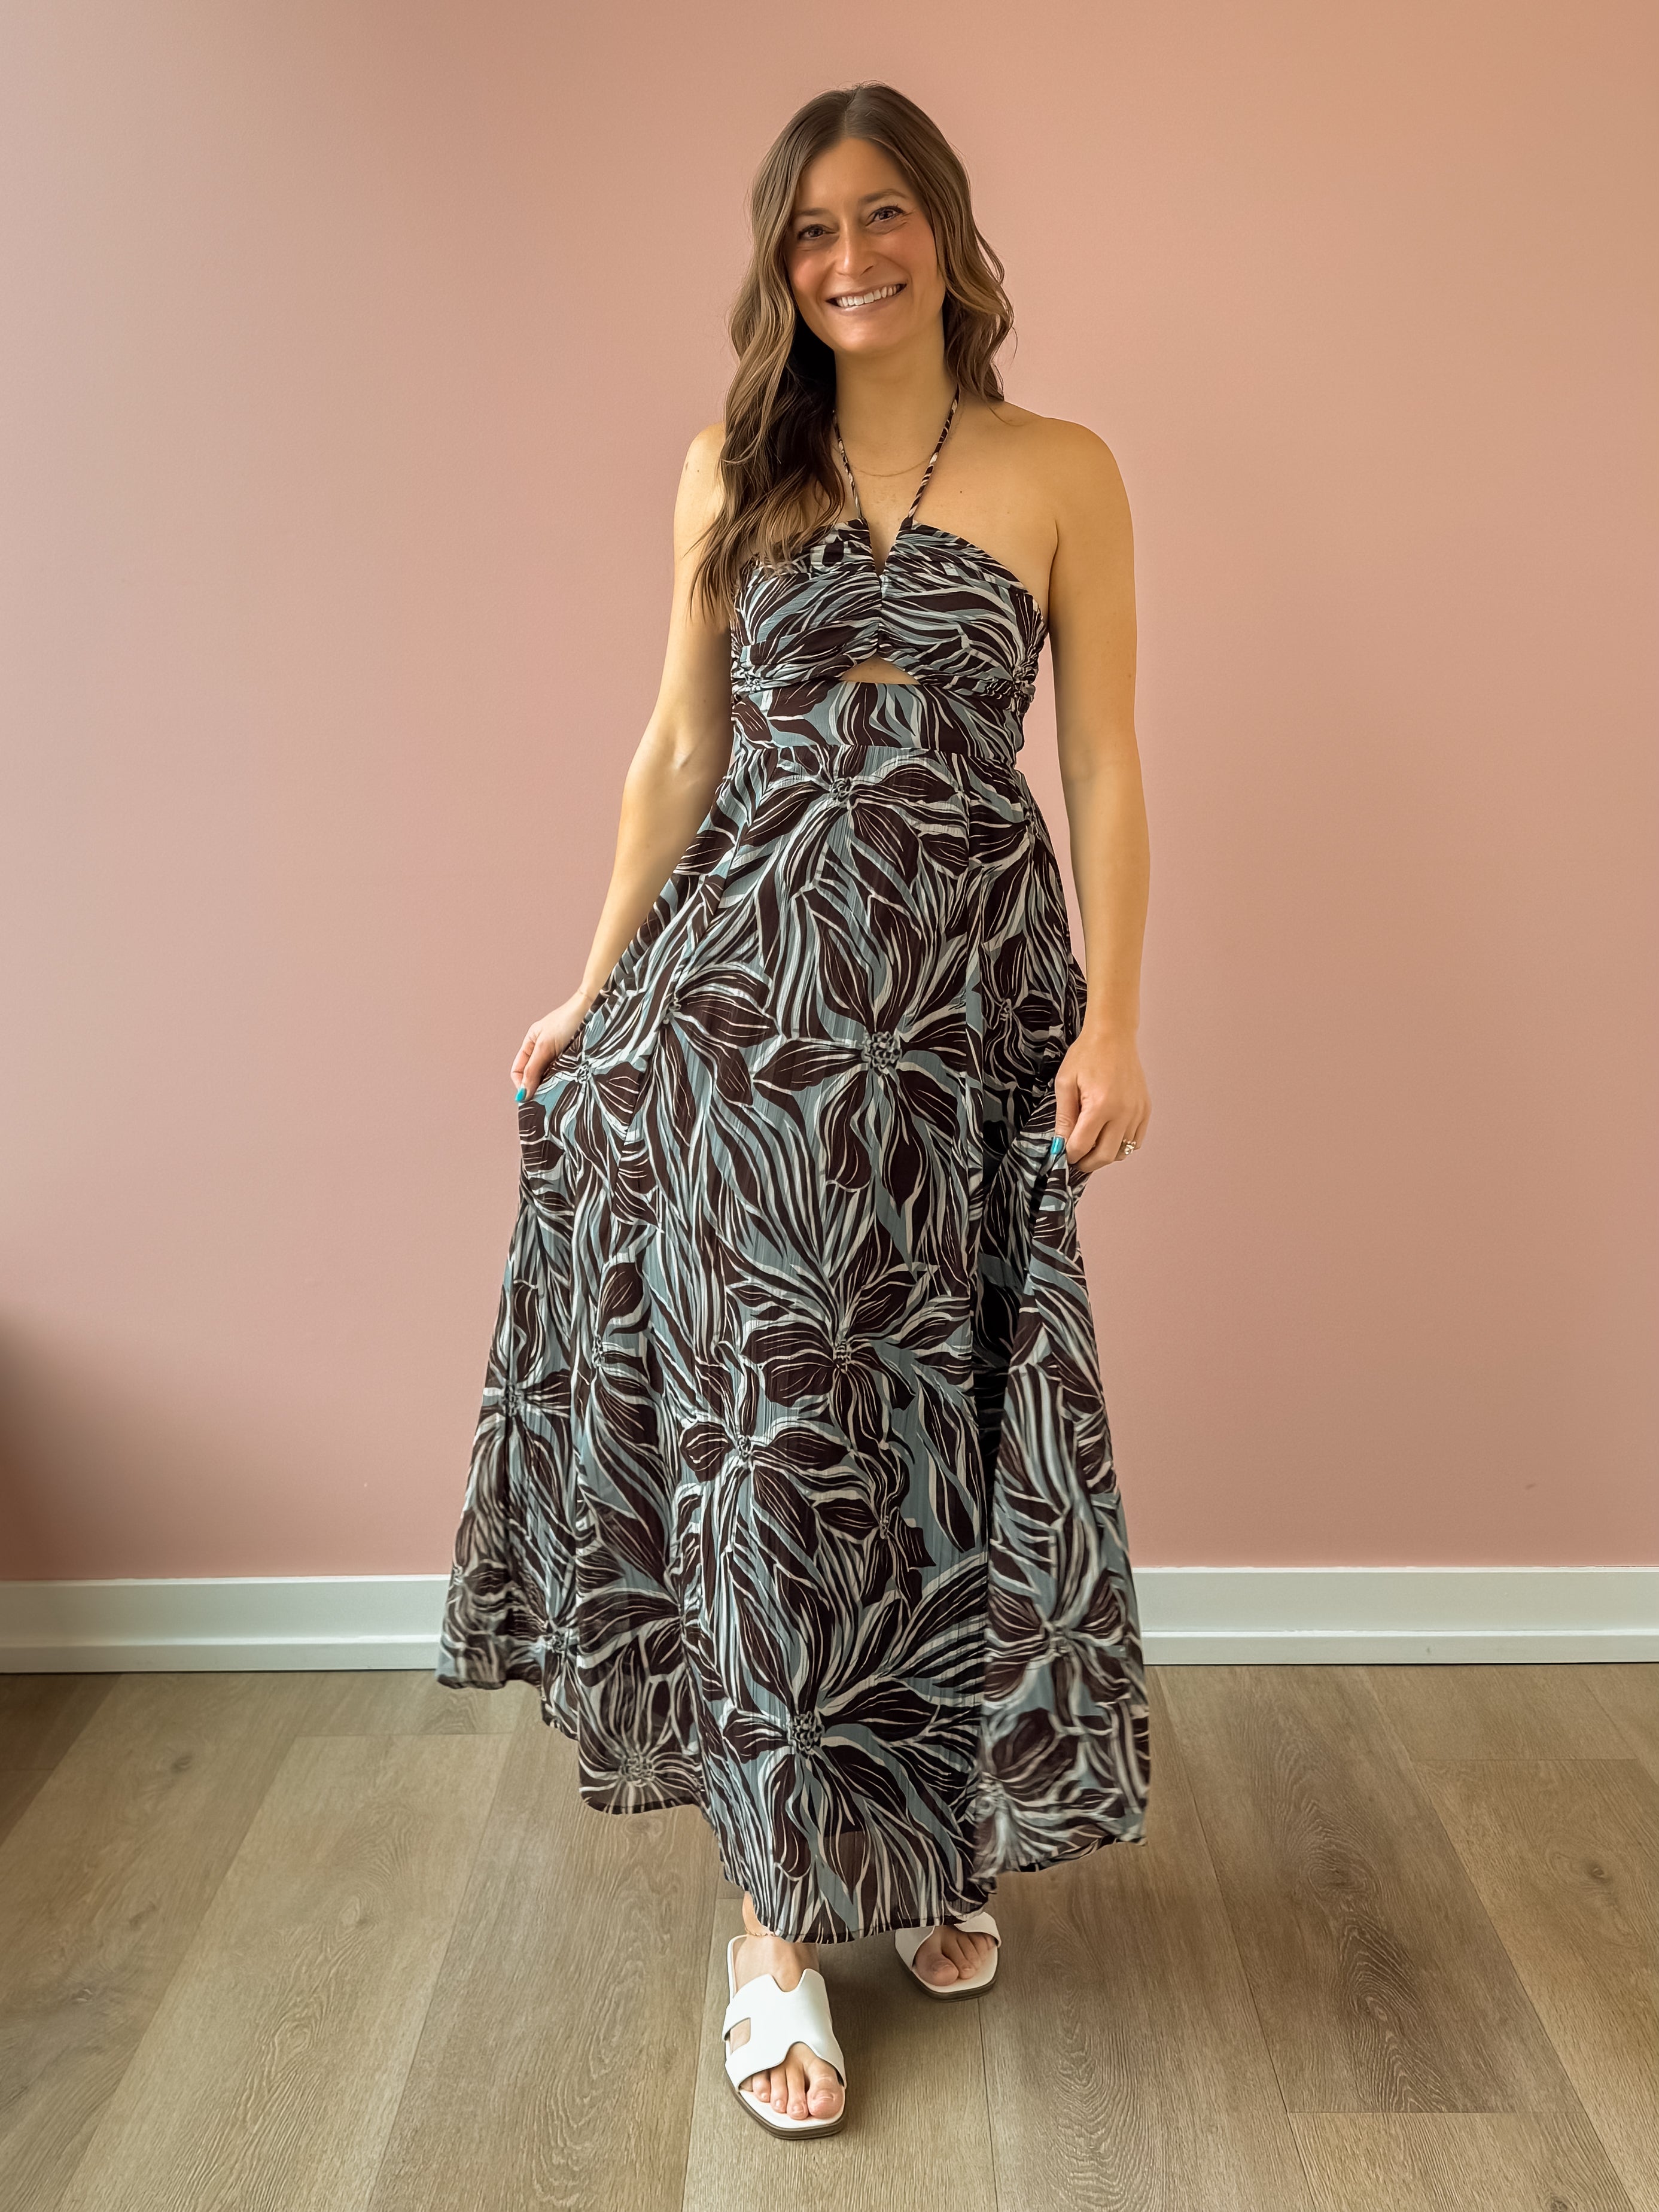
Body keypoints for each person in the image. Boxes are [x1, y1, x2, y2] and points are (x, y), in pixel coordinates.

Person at [437, 80, 1151, 2140]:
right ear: (782, 265)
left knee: (931, 1423)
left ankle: (922, 1833)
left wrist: (1119, 1016)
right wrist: (594, 979)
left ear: (947, 230)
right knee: (775, 1446)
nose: (852, 257)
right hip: (752, 1024)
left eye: (885, 214)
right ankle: (773, 1926)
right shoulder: (729, 470)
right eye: (813, 231)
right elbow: (678, 751)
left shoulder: (1063, 469)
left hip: (962, 1016)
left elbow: (1105, 762)